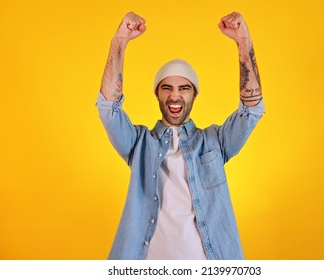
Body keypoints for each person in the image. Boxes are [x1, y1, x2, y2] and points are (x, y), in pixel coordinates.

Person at [96, 11, 265, 260]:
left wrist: (244, 42)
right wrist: (119, 41)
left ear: (194, 94)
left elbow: (251, 110)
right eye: (167, 88)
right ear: (157, 94)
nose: (175, 96)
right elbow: (108, 109)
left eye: (184, 88)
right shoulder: (138, 143)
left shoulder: (215, 142)